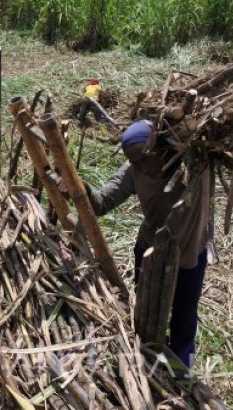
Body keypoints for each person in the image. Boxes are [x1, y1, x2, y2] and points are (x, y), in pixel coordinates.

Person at [84, 120, 212, 367]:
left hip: (189, 253)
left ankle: (182, 367)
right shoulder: (134, 170)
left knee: (184, 317)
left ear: (161, 148)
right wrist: (81, 188)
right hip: (151, 250)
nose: (141, 165)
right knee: (147, 310)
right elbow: (101, 203)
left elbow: (206, 137)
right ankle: (147, 359)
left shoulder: (193, 164)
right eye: (134, 161)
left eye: (145, 157)